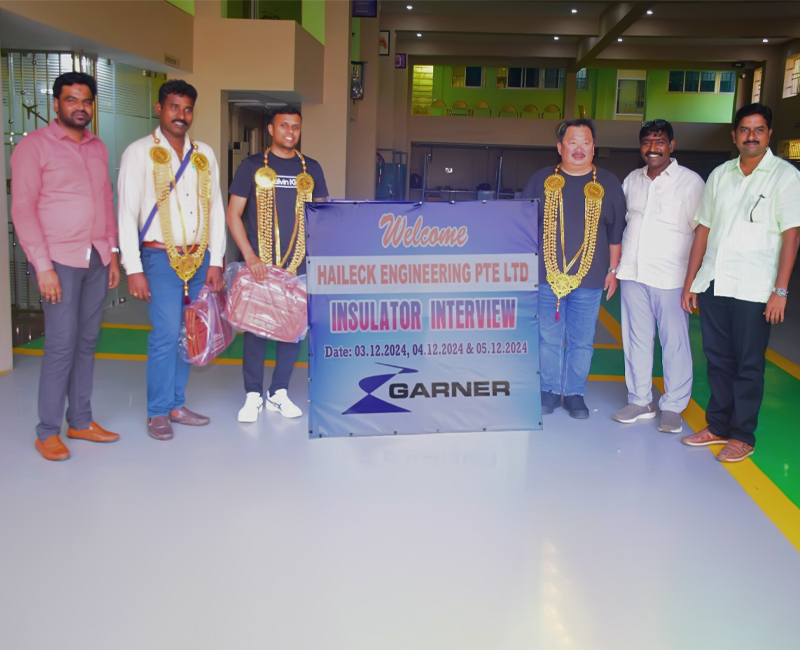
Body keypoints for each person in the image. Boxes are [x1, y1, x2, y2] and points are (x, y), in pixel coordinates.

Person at [10, 72, 121, 461]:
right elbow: (22, 209)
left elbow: (105, 201)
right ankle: (47, 431)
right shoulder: (34, 146)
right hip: (58, 260)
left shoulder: (98, 147)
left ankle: (81, 421)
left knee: (87, 342)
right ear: (56, 103)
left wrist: (112, 253)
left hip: (96, 256)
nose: (80, 107)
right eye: (71, 100)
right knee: (61, 344)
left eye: (86, 101)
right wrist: (42, 267)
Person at [681, 103, 800, 462]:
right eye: (745, 130)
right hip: (715, 281)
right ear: (734, 136)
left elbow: (791, 235)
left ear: (769, 134)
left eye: (758, 129)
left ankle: (743, 436)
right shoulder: (720, 175)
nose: (751, 136)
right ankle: (718, 426)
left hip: (755, 286)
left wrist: (780, 290)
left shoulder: (784, 176)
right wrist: (691, 282)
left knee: (748, 363)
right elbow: (703, 229)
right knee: (717, 359)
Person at [117, 80, 226, 441]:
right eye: (174, 107)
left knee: (190, 332)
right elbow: (126, 213)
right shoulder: (139, 152)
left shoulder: (203, 154)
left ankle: (177, 404)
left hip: (199, 257)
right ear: (160, 109)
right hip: (159, 257)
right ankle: (157, 411)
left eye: (187, 108)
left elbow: (216, 209)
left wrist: (216, 260)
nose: (181, 115)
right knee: (165, 333)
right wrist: (133, 268)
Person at [226, 106, 328, 423]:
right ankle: (253, 395)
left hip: (298, 265)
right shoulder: (252, 166)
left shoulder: (311, 168)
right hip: (261, 265)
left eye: (295, 127)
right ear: (270, 129)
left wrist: (317, 258)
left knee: (292, 331)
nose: (290, 132)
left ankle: (278, 393)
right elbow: (233, 214)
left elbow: (323, 216)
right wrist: (250, 256)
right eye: (283, 126)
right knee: (256, 331)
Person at [522, 119, 627, 418]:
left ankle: (574, 393)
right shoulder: (541, 180)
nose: (579, 148)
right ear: (560, 147)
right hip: (546, 276)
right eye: (572, 142)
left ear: (593, 148)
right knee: (549, 338)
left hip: (590, 277)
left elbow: (616, 232)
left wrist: (613, 271)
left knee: (582, 340)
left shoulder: (608, 183)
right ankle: (550, 389)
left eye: (585, 142)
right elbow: (523, 226)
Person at [612, 120, 705, 433]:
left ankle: (674, 405)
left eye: (660, 141)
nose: (653, 148)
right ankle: (640, 400)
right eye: (647, 142)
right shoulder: (632, 180)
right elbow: (620, 221)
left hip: (671, 276)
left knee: (674, 343)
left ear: (672, 145)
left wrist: (693, 282)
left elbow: (702, 232)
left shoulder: (690, 182)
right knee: (636, 339)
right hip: (632, 272)